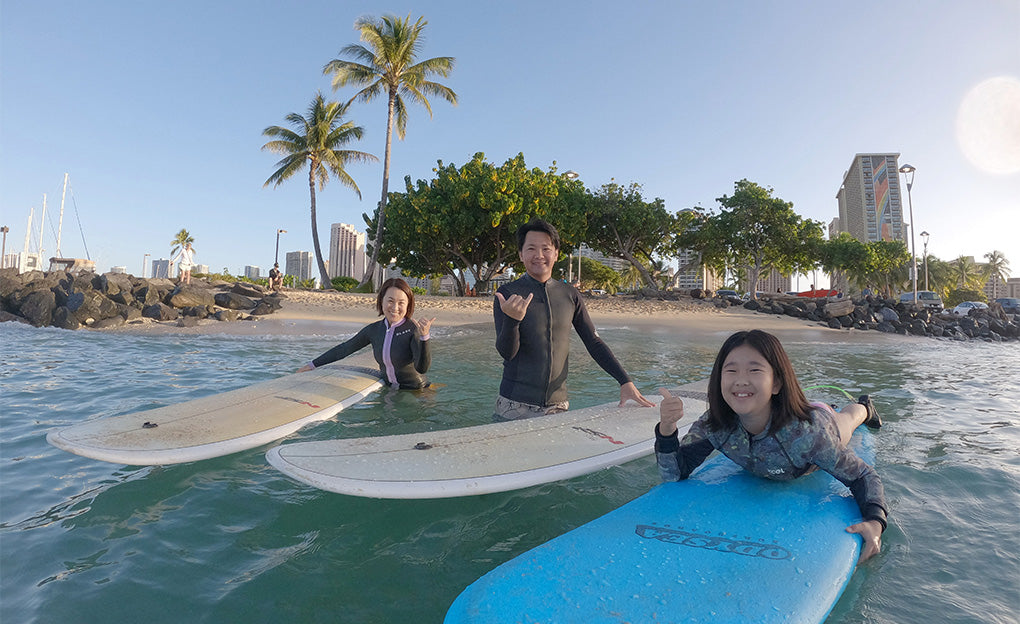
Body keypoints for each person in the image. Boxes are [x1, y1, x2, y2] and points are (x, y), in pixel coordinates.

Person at [654, 329, 887, 562]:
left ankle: (865, 407)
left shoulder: (808, 435)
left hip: (822, 421)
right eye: (731, 370)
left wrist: (875, 521)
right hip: (794, 412)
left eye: (754, 370)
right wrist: (667, 429)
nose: (741, 380)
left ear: (776, 383)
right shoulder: (714, 424)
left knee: (847, 420)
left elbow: (862, 475)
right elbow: (674, 473)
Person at [493, 218, 653, 420]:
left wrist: (625, 381)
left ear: (556, 253)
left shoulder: (569, 294)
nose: (539, 255)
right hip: (515, 404)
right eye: (531, 248)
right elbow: (507, 353)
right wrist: (512, 320)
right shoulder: (508, 294)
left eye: (546, 248)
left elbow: (593, 341)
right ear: (521, 254)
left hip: (558, 405)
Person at [297, 278, 435, 389]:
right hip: (389, 390)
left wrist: (424, 338)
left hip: (417, 391)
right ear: (381, 301)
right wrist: (311, 365)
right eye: (390, 301)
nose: (395, 308)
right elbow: (345, 348)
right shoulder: (374, 330)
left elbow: (422, 368)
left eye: (401, 303)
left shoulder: (413, 330)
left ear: (408, 305)